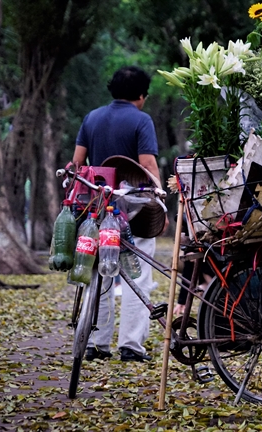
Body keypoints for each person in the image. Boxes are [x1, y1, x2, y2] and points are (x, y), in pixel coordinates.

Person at [73, 65, 163, 362]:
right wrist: (160, 192)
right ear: (141, 95)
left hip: (98, 208)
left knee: (101, 272)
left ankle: (96, 344)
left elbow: (77, 164)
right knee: (138, 275)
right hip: (133, 210)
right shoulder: (142, 120)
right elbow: (147, 164)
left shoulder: (91, 118)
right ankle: (131, 345)